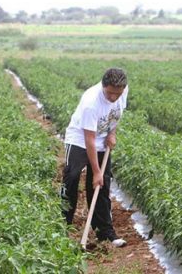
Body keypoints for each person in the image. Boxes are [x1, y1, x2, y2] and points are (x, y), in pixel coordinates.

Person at [61, 68, 128, 247]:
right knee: (72, 177)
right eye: (110, 93)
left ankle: (105, 232)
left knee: (102, 185)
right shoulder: (91, 102)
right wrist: (96, 171)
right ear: (103, 86)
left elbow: (115, 115)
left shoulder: (122, 90)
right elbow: (89, 140)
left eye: (118, 94)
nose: (114, 97)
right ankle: (61, 227)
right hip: (79, 140)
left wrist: (112, 133)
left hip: (101, 140)